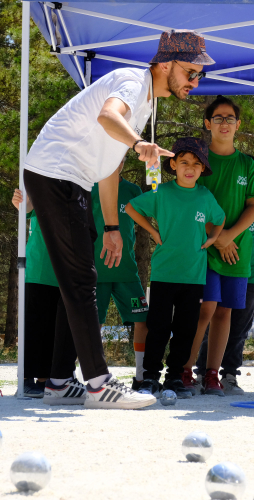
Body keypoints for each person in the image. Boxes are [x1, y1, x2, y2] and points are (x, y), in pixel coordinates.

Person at [23, 30, 214, 409]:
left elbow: (110, 170)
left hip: (74, 179)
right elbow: (108, 116)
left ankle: (60, 381)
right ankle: (98, 384)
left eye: (199, 76)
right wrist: (139, 143)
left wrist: (112, 228)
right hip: (55, 172)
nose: (195, 82)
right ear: (165, 65)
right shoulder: (132, 80)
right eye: (191, 72)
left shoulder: (145, 103)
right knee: (80, 279)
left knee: (79, 278)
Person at [126, 138, 225, 398]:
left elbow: (220, 217)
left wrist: (213, 238)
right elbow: (131, 207)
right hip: (163, 274)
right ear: (173, 164)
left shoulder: (204, 196)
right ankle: (149, 377)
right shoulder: (162, 193)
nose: (189, 168)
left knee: (186, 329)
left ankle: (175, 378)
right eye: (183, 162)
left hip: (193, 276)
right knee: (158, 326)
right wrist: (152, 232)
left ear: (203, 168)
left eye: (195, 163)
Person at [184, 96, 254, 397]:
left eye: (230, 118)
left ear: (238, 124)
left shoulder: (247, 164)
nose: (224, 123)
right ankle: (186, 370)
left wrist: (230, 236)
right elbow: (190, 200)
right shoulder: (199, 160)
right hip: (204, 249)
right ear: (208, 123)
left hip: (236, 251)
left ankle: (213, 374)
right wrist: (218, 239)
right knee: (205, 310)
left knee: (225, 312)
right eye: (218, 118)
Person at [195, 155, 254, 395]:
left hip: (251, 273)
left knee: (239, 327)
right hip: (218, 261)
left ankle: (229, 374)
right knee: (207, 315)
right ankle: (201, 371)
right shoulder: (230, 198)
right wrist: (221, 239)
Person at [90, 157, 149, 389]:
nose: (117, 162)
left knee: (142, 318)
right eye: (111, 156)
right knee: (93, 323)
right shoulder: (90, 187)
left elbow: (151, 210)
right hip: (97, 271)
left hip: (127, 271)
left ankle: (141, 375)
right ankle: (95, 375)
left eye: (121, 157)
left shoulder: (132, 190)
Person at [11, 189, 63, 400]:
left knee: (55, 328)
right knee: (34, 326)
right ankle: (27, 380)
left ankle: (47, 379)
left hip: (64, 269)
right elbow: (28, 207)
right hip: (39, 268)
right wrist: (21, 203)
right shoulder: (41, 178)